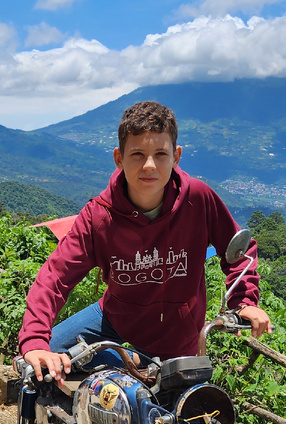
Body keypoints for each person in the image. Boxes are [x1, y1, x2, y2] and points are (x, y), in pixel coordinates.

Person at [18, 99, 271, 384]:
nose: (149, 165)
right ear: (119, 158)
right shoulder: (99, 216)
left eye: (160, 154)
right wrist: (36, 339)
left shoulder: (197, 200)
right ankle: (126, 361)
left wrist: (244, 301)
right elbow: (56, 275)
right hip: (114, 320)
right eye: (137, 154)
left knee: (170, 420)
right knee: (42, 359)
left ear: (176, 156)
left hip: (177, 337)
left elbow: (238, 249)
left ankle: (126, 363)